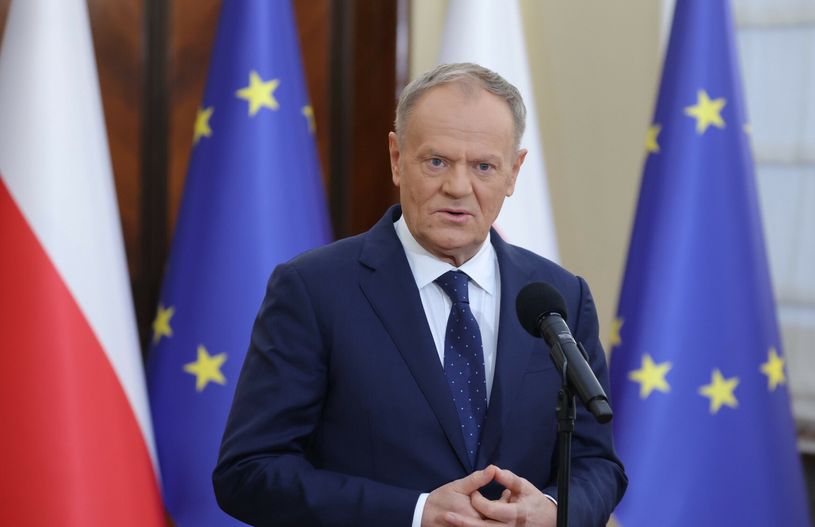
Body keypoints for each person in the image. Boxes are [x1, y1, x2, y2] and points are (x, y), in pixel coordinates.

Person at [213, 62, 627, 527]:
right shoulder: (313, 290)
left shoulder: (559, 297)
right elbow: (248, 471)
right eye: (436, 162)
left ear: (513, 172)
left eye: (484, 166)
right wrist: (414, 513)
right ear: (397, 158)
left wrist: (552, 511)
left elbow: (597, 465)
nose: (458, 187)